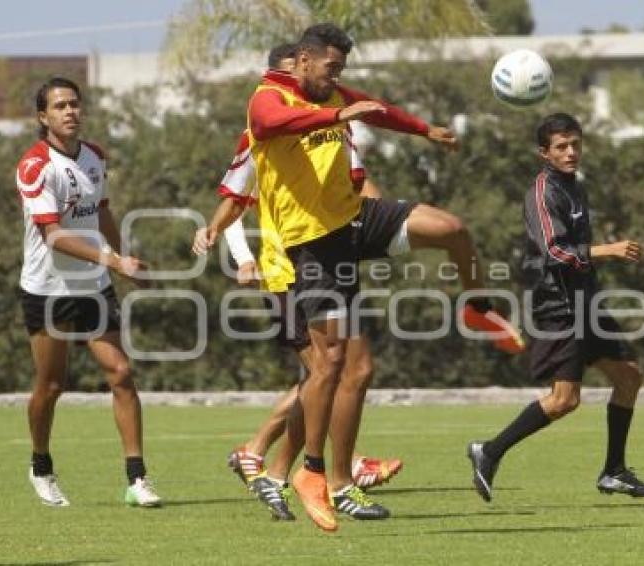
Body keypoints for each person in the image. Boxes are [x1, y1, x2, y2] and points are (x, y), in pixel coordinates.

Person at [197, 23, 520, 531]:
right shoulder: (267, 99)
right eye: (331, 67)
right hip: (314, 245)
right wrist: (336, 113)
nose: (338, 77)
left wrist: (424, 130)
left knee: (452, 229)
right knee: (330, 368)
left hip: (354, 219)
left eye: (341, 70)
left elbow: (375, 107)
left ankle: (478, 307)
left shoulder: (330, 92)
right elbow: (276, 125)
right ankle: (312, 473)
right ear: (301, 61)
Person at [204, 43, 402, 523]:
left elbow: (357, 186)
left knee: (331, 374)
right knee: (329, 374)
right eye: (297, 71)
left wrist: (381, 231)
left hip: (327, 258)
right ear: (285, 72)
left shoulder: (331, 125)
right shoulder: (265, 129)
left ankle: (277, 467)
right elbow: (233, 200)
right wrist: (242, 257)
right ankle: (313, 470)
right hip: (287, 269)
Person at [467, 112, 644, 502]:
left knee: (629, 377)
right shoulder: (542, 192)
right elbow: (554, 252)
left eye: (576, 144)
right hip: (559, 306)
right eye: (561, 147)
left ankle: (614, 471)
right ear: (544, 153)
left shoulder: (575, 186)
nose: (571, 152)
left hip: (586, 301)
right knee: (564, 400)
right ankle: (488, 451)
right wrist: (608, 250)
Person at [16, 77, 161, 507]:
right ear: (43, 117)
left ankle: (137, 480)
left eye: (74, 104)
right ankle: (40, 466)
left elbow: (101, 212)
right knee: (52, 384)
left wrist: (123, 255)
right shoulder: (35, 165)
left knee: (121, 373)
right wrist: (115, 263)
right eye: (59, 106)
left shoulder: (95, 157)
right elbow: (55, 237)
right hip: (48, 290)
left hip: (93, 286)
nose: (69, 112)